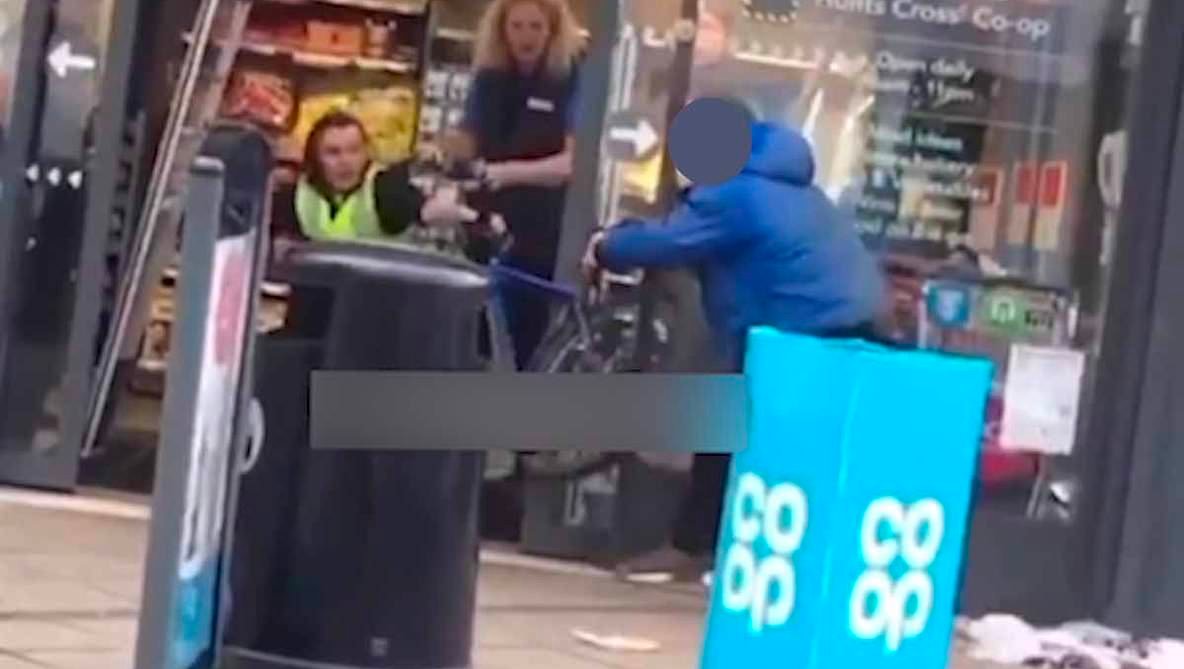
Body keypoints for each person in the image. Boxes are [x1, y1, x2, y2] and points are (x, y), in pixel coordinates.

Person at [583, 121, 887, 580]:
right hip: (853, 325)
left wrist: (606, 246)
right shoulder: (795, 191)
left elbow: (669, 241)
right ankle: (741, 549)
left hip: (804, 330)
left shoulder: (734, 193)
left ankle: (694, 546)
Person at [445, 0, 585, 368]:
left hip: (543, 232)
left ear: (553, 30)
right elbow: (468, 140)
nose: (525, 37)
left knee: (525, 333)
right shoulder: (489, 80)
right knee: (477, 334)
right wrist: (450, 150)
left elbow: (573, 164)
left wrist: (505, 173)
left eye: (536, 27)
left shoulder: (568, 78)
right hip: (485, 225)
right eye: (517, 26)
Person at [275, 111, 466, 243]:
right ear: (315, 158)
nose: (346, 161)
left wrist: (440, 207)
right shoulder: (300, 194)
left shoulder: (384, 188)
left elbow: (419, 208)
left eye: (354, 150)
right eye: (333, 153)